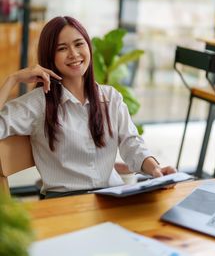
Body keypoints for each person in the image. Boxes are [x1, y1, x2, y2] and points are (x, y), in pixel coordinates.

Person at [0, 16, 176, 198]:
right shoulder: (38, 103)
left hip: (111, 197)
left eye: (79, 44)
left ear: (88, 47)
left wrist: (156, 169)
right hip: (66, 203)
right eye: (62, 48)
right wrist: (12, 79)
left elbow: (132, 144)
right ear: (50, 57)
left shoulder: (111, 97)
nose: (74, 54)